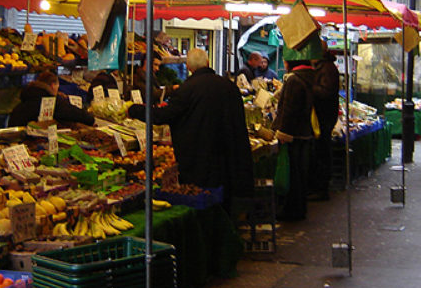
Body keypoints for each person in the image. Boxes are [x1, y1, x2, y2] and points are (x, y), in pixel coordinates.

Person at [128, 49, 254, 212]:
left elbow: (162, 115)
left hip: (199, 159)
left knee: (203, 202)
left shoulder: (186, 90)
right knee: (223, 201)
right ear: (208, 63)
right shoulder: (229, 86)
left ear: (188, 67)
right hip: (228, 156)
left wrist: (134, 110)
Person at [272, 58, 316, 220]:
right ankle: (299, 209)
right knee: (300, 174)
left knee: (292, 174)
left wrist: (283, 133)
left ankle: (290, 211)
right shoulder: (309, 77)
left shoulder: (294, 81)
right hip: (304, 132)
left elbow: (289, 110)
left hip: (293, 134)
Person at [9, 70, 94, 127]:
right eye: (57, 86)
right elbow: (80, 115)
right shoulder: (51, 101)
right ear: (53, 85)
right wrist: (90, 117)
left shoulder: (26, 98)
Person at [309, 44, 339, 201]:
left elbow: (326, 92)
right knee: (320, 152)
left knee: (322, 152)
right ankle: (319, 187)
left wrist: (309, 86)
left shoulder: (327, 69)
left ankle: (322, 189)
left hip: (324, 116)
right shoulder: (323, 67)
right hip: (323, 116)